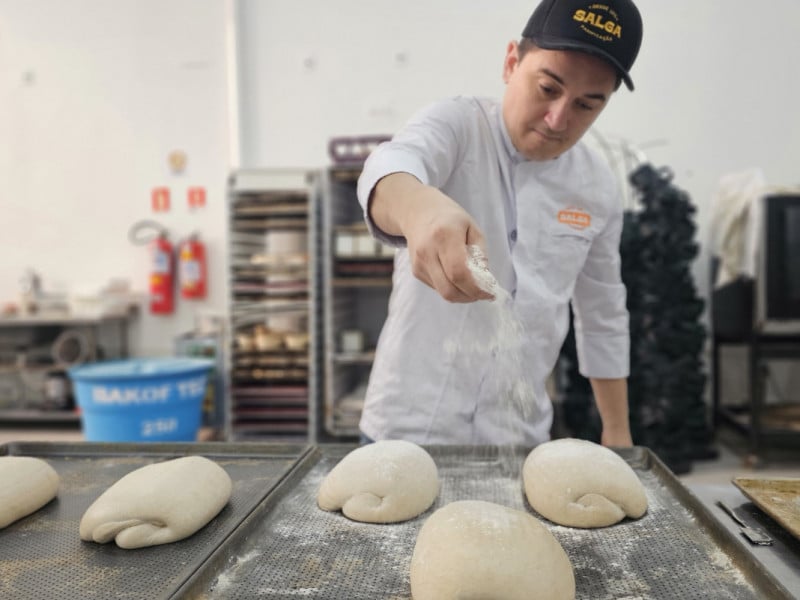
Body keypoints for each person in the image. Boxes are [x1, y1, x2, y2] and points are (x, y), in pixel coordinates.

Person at [355, 0, 643, 448]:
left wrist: (618, 431)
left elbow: (603, 314)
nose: (558, 119)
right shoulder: (458, 125)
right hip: (410, 428)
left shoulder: (596, 186)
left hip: (517, 434)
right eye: (548, 88)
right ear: (512, 61)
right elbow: (393, 165)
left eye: (587, 105)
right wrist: (419, 207)